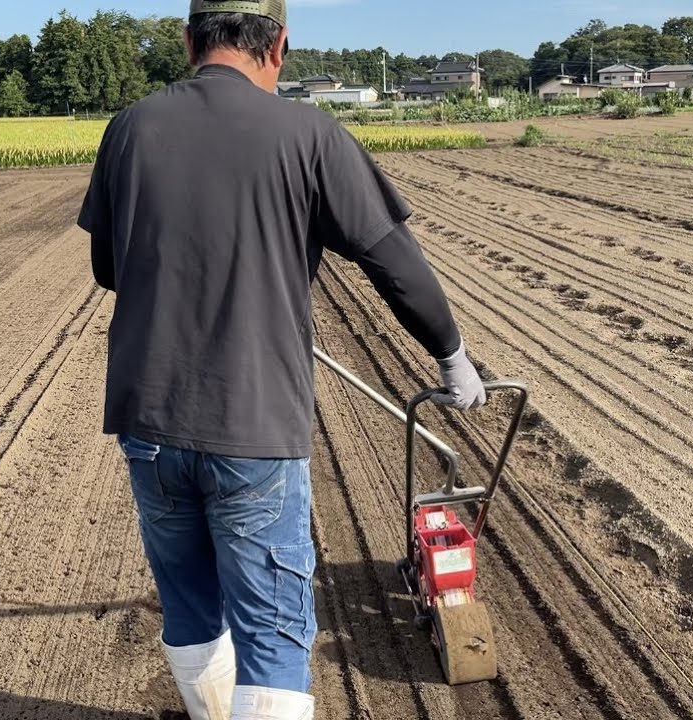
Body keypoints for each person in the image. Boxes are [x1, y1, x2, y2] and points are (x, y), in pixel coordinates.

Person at [77, 2, 486, 718]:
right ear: (281, 47)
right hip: (253, 427)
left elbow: (109, 269)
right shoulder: (309, 132)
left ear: (188, 42)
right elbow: (394, 262)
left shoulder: (130, 128)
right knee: (273, 634)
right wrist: (452, 356)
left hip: (148, 422)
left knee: (191, 606)